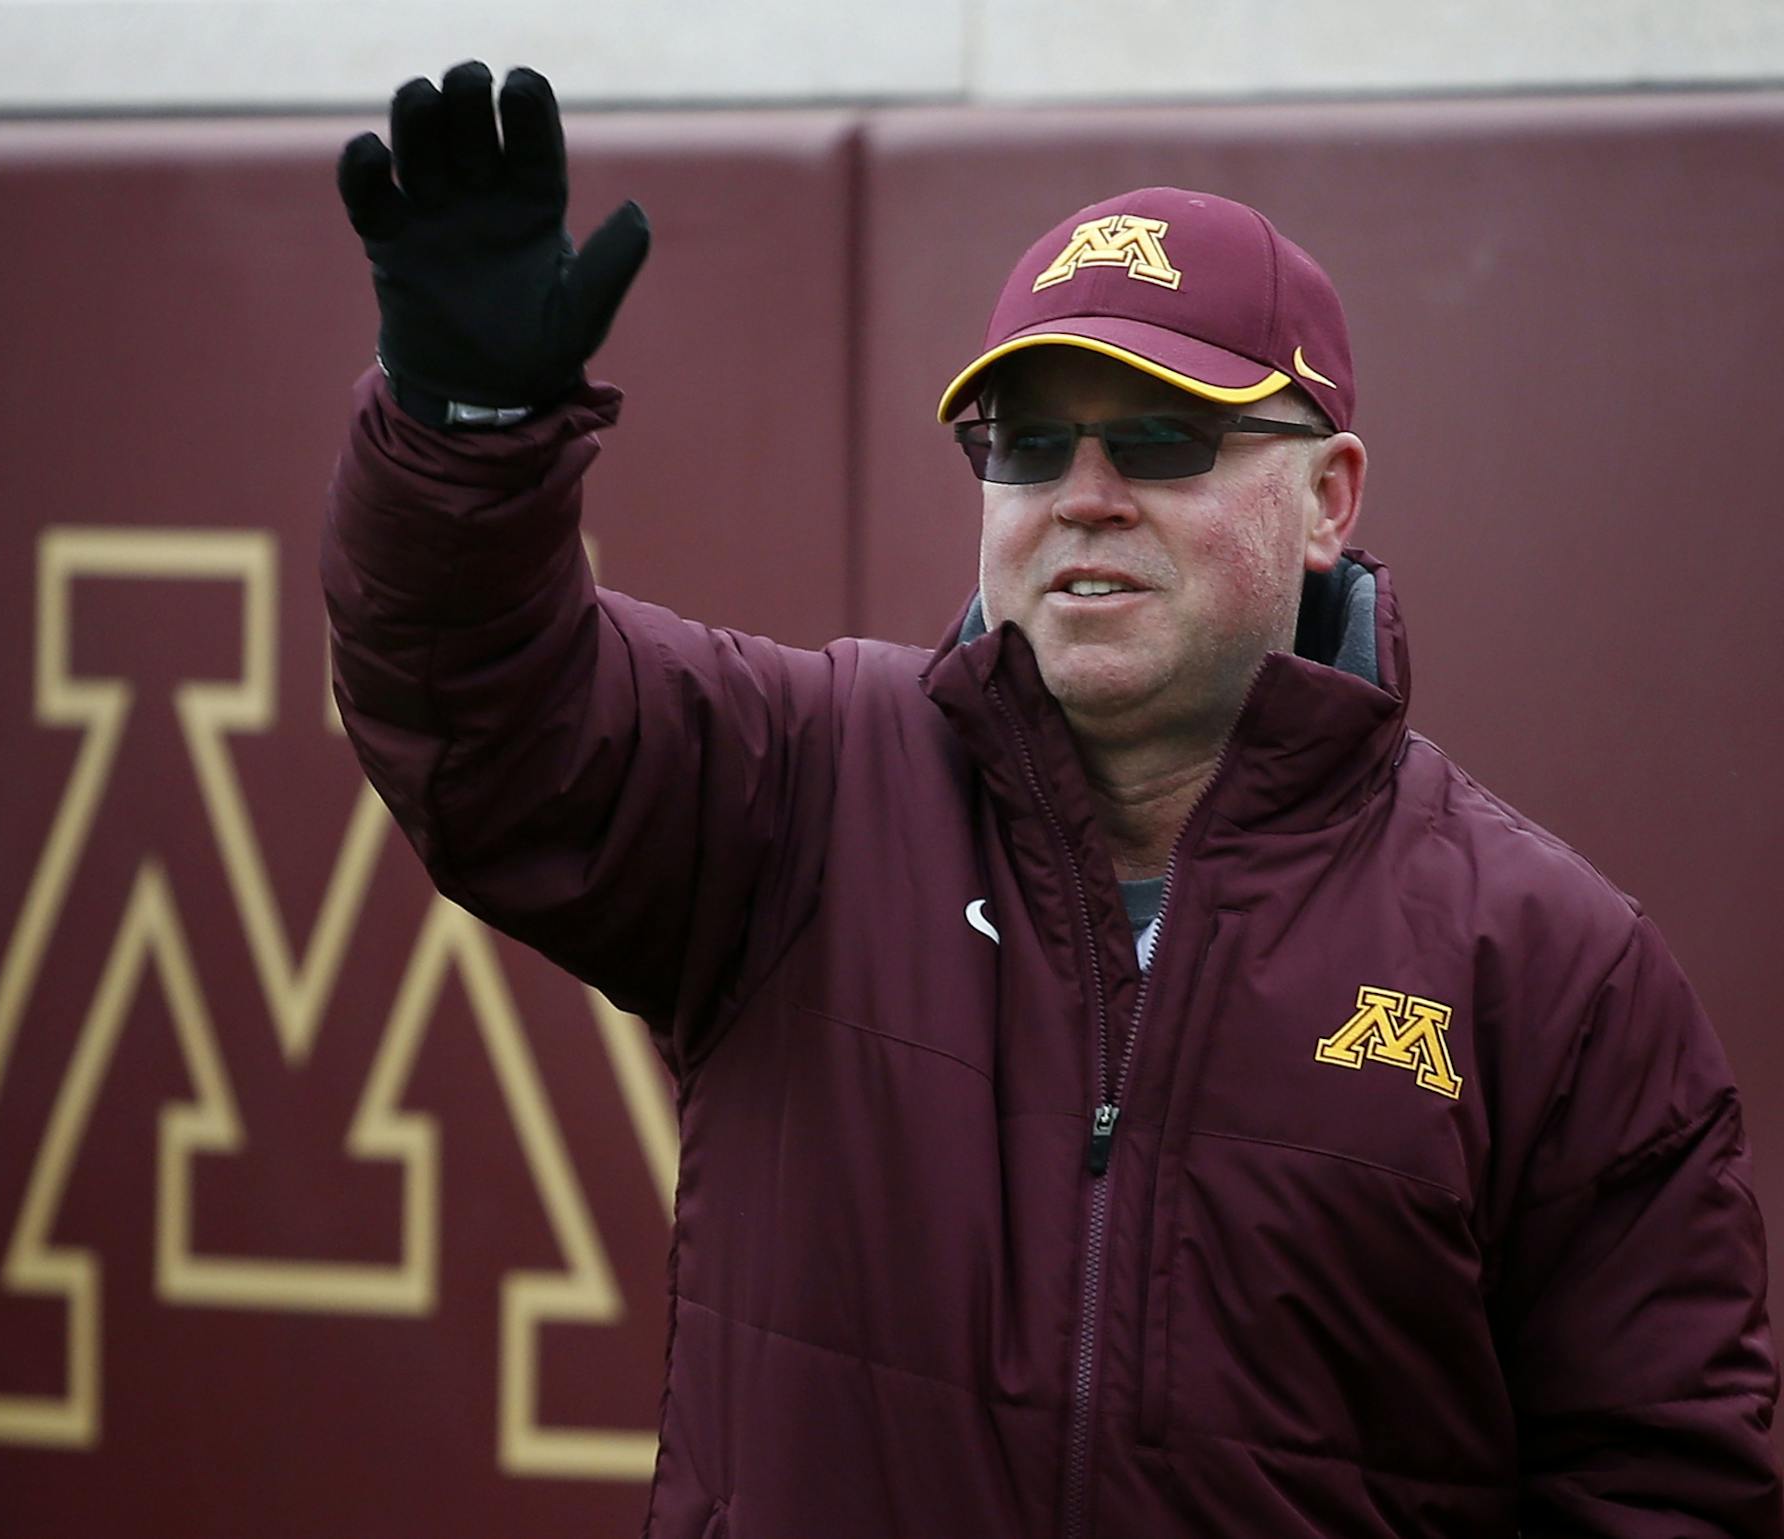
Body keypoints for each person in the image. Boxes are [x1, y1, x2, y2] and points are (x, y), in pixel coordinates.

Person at [323, 60, 1782, 1538]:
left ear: (1330, 497)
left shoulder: (1548, 966)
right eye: (1027, 442)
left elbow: (1667, 1491)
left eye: (1161, 436)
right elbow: (488, 718)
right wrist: (471, 432)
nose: (1084, 491)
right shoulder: (804, 788)